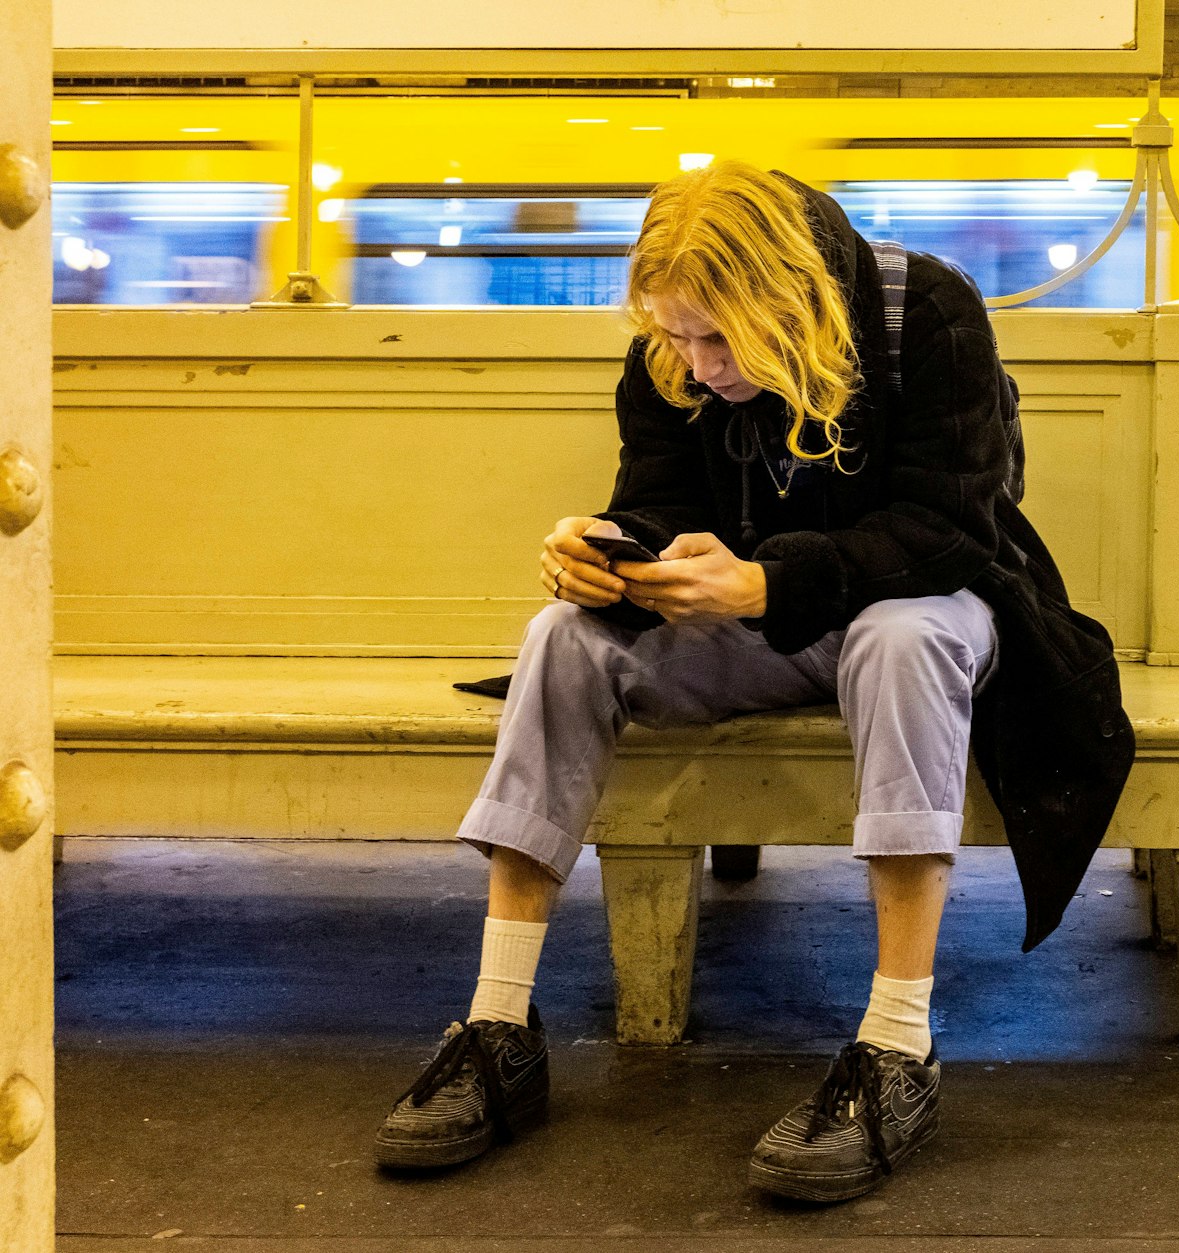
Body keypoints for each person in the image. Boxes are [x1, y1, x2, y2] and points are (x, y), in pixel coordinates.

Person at [372, 160, 1135, 1202]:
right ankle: (499, 1023)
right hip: (760, 616)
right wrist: (609, 549)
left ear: (795, 301)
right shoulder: (671, 359)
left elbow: (950, 532)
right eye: (675, 335)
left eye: (718, 337)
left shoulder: (932, 310)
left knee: (903, 638)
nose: (695, 362)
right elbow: (657, 494)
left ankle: (896, 1045)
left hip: (920, 603)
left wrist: (771, 579)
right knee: (561, 633)